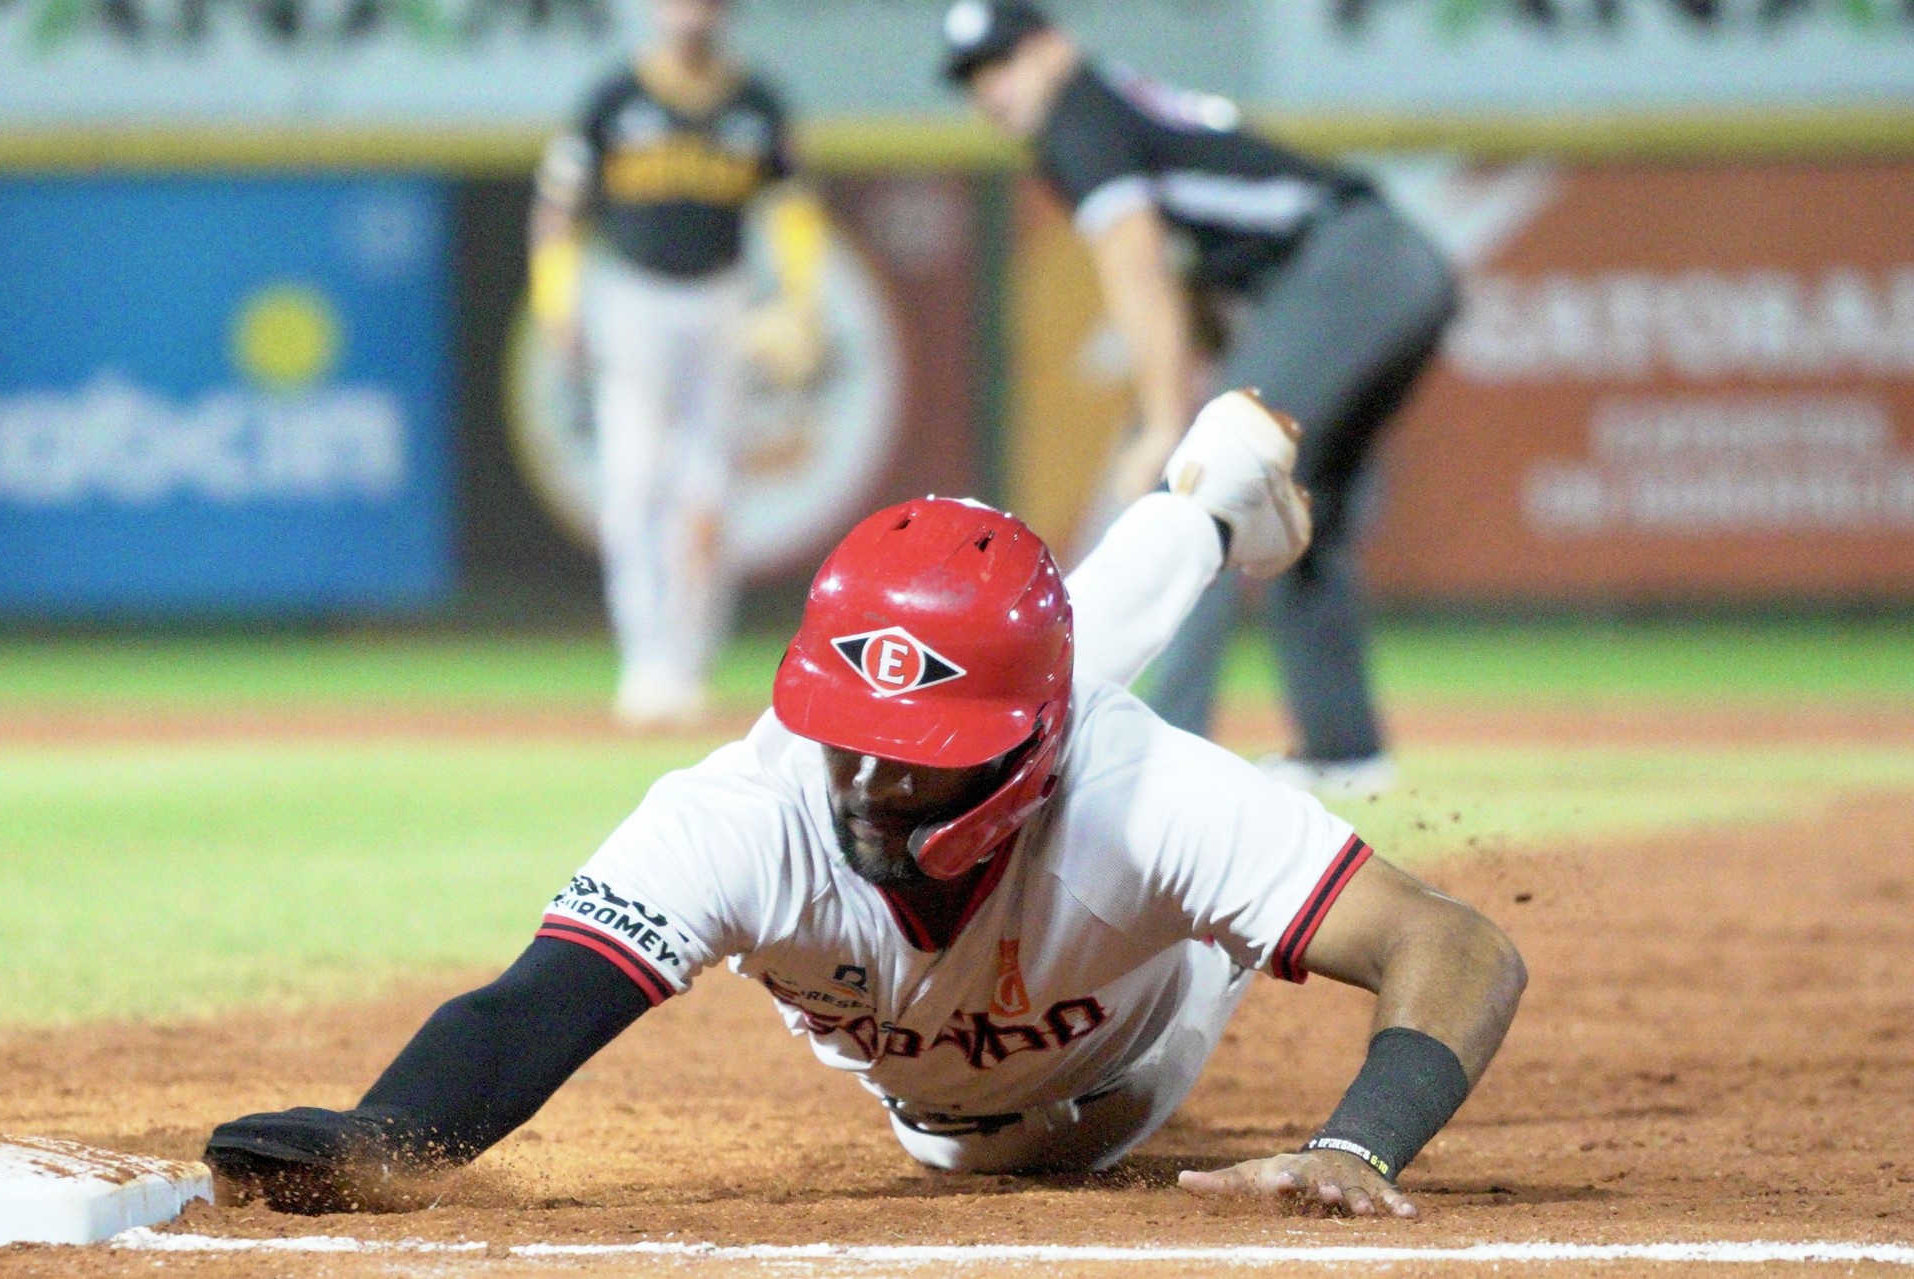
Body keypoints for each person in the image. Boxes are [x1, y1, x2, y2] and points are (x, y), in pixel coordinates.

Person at [204, 391, 1523, 1219]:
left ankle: (1214, 561)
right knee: (1065, 645)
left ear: (1027, 751)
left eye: (924, 752)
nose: (874, 778)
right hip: (954, 1101)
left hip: (1140, 1034)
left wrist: (1362, 1141)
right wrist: (391, 1135)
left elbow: (1460, 942)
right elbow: (535, 1001)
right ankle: (1205, 506)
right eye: (851, 734)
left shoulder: (1145, 796)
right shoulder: (749, 801)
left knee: (1135, 752)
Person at [943, 0, 1460, 798]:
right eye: (973, 77)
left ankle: (1147, 759)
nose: (990, 89)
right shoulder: (1106, 104)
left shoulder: (1075, 114)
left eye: (1002, 62)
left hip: (1352, 268)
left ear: (1052, 48)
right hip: (1390, 264)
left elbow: (1134, 255)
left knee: (1195, 485)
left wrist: (1161, 420)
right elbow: (1196, 267)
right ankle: (1346, 751)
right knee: (1298, 512)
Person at [531, 0, 829, 728]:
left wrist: (799, 299)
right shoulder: (614, 97)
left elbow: (793, 210)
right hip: (629, 297)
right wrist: (556, 297)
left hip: (719, 300)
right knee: (634, 480)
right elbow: (559, 207)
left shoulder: (755, 104)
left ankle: (688, 661)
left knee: (708, 487)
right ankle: (645, 659)